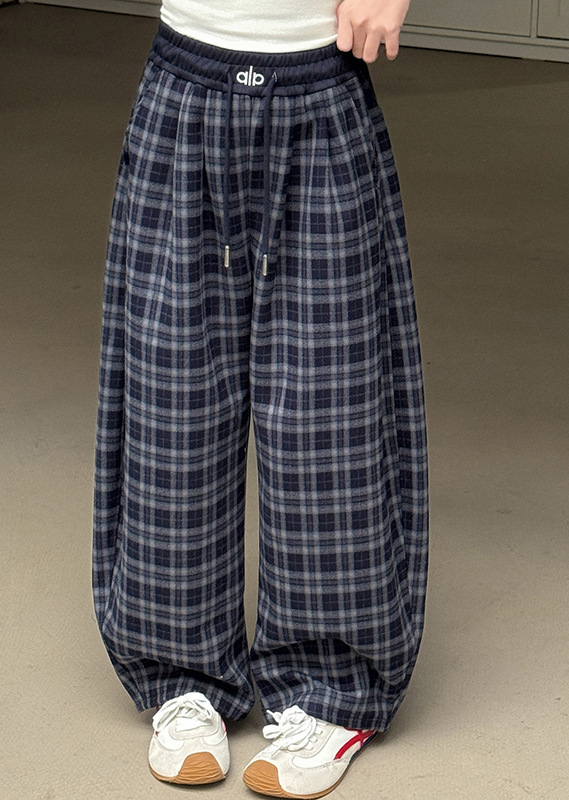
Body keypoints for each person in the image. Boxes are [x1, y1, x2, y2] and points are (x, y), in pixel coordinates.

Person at [91, 1, 428, 796]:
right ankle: (183, 675)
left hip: (321, 87)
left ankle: (329, 688)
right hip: (184, 80)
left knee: (329, 410)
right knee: (171, 401)